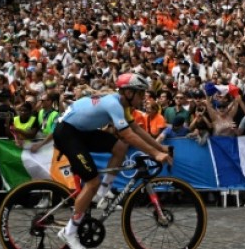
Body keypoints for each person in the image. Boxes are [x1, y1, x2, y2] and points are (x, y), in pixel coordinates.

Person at [53, 73, 171, 249]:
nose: (143, 98)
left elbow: (135, 128)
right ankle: (68, 232)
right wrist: (155, 153)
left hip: (81, 131)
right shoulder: (113, 104)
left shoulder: (122, 105)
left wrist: (161, 148)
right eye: (140, 94)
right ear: (129, 93)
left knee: (120, 148)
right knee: (92, 182)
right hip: (67, 133)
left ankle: (103, 193)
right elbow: (128, 135)